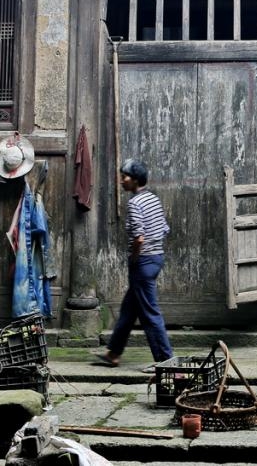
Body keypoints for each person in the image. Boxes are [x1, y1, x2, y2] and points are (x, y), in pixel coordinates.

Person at [94, 158, 174, 371]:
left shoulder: (135, 203)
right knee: (129, 310)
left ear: (136, 180)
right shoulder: (153, 199)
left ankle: (165, 360)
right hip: (156, 258)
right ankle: (113, 353)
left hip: (143, 262)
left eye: (125, 177)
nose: (122, 181)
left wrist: (135, 257)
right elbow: (164, 229)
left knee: (149, 312)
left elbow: (138, 237)